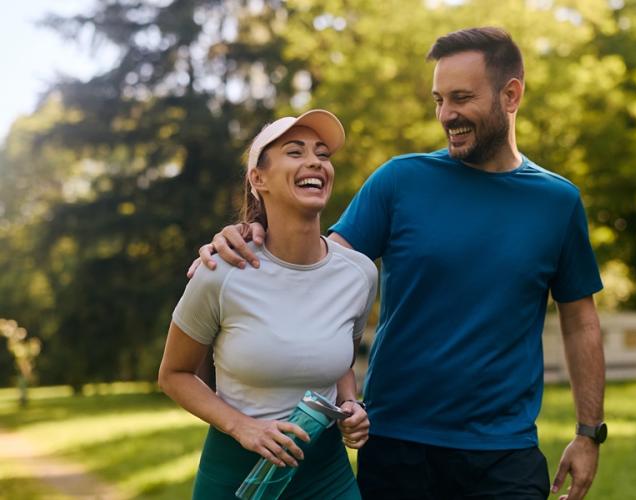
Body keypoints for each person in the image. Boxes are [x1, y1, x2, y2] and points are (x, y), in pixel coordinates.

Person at [193, 27, 606, 500]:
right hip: (397, 447)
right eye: (438, 100)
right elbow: (314, 269)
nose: (446, 115)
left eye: (461, 98)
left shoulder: (557, 202)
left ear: (511, 95)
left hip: (503, 453)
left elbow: (580, 322)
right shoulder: (399, 181)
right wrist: (251, 231)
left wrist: (589, 432)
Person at [161, 109, 377, 499]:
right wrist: (243, 427)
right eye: (295, 152)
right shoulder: (220, 273)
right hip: (238, 475)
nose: (314, 161)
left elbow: (342, 357)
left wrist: (350, 405)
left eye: (322, 154)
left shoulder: (359, 274)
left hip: (326, 476)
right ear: (258, 179)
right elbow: (174, 374)